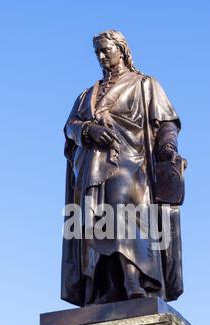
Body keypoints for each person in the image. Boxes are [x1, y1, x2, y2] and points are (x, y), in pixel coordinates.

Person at [61, 29, 184, 306]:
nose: (102, 56)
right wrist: (87, 130)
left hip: (131, 164)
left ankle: (134, 281)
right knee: (93, 225)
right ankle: (107, 286)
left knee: (122, 216)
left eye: (106, 50)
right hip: (91, 168)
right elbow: (69, 127)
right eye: (98, 53)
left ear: (122, 49)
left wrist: (167, 148)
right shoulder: (86, 95)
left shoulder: (145, 84)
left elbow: (166, 123)